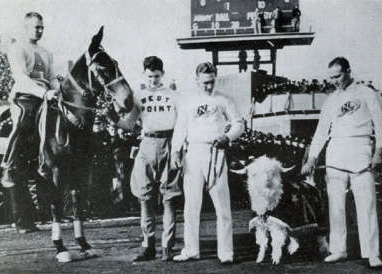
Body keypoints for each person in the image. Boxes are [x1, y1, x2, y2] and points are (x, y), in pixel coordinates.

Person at [301, 57, 382, 269]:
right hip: (336, 151)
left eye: (337, 76)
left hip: (361, 148)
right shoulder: (330, 100)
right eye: (331, 78)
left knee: (366, 204)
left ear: (348, 71)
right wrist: (311, 159)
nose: (334, 81)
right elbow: (320, 132)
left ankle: (371, 252)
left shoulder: (367, 93)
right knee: (335, 205)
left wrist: (379, 152)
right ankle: (339, 249)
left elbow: (380, 123)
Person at [171, 62, 244, 264]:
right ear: (196, 80)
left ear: (215, 78)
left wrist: (228, 137)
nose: (208, 86)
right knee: (191, 206)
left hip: (216, 152)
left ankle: (226, 253)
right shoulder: (188, 101)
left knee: (222, 206)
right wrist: (175, 151)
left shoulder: (225, 100)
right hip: (193, 153)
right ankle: (191, 250)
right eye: (204, 83)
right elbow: (180, 128)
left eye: (211, 82)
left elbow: (239, 124)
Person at [1, 12, 59, 233]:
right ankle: (9, 163)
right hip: (25, 96)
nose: (39, 31)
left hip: (45, 95)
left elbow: (52, 76)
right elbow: (21, 77)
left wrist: (56, 91)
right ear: (26, 28)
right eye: (36, 27)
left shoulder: (46, 52)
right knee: (25, 121)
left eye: (42, 27)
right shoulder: (17, 48)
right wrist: (42, 93)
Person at [121, 56, 182, 261]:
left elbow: (182, 124)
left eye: (156, 76)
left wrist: (178, 149)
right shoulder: (138, 95)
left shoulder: (173, 95)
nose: (153, 81)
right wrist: (113, 117)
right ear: (144, 74)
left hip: (169, 142)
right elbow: (129, 124)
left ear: (162, 74)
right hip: (147, 143)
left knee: (169, 199)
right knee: (145, 199)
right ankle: (148, 246)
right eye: (149, 76)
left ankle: (167, 246)